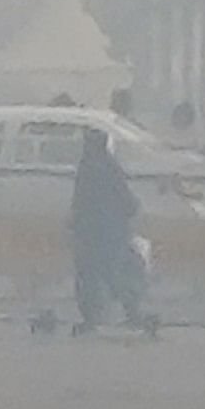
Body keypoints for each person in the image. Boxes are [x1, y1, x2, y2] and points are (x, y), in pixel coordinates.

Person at [67, 127, 142, 335]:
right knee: (109, 274)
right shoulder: (110, 166)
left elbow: (80, 201)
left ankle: (95, 317)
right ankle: (131, 311)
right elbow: (128, 202)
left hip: (94, 233)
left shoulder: (89, 167)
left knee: (92, 275)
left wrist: (75, 225)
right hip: (112, 232)